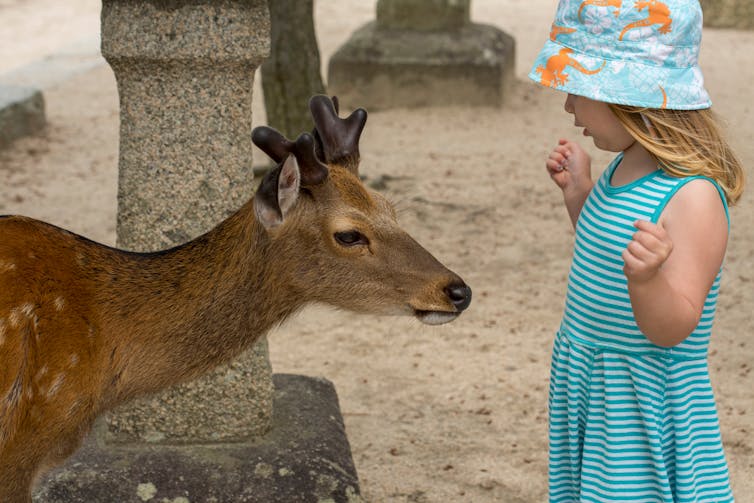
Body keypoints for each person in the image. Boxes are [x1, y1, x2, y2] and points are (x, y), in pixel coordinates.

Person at [528, 0, 745, 501]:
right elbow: (608, 254)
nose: (568, 107)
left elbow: (673, 327)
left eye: (577, 90)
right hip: (594, 378)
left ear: (628, 95)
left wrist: (649, 281)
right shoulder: (624, 168)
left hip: (641, 400)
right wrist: (580, 194)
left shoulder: (693, 196)